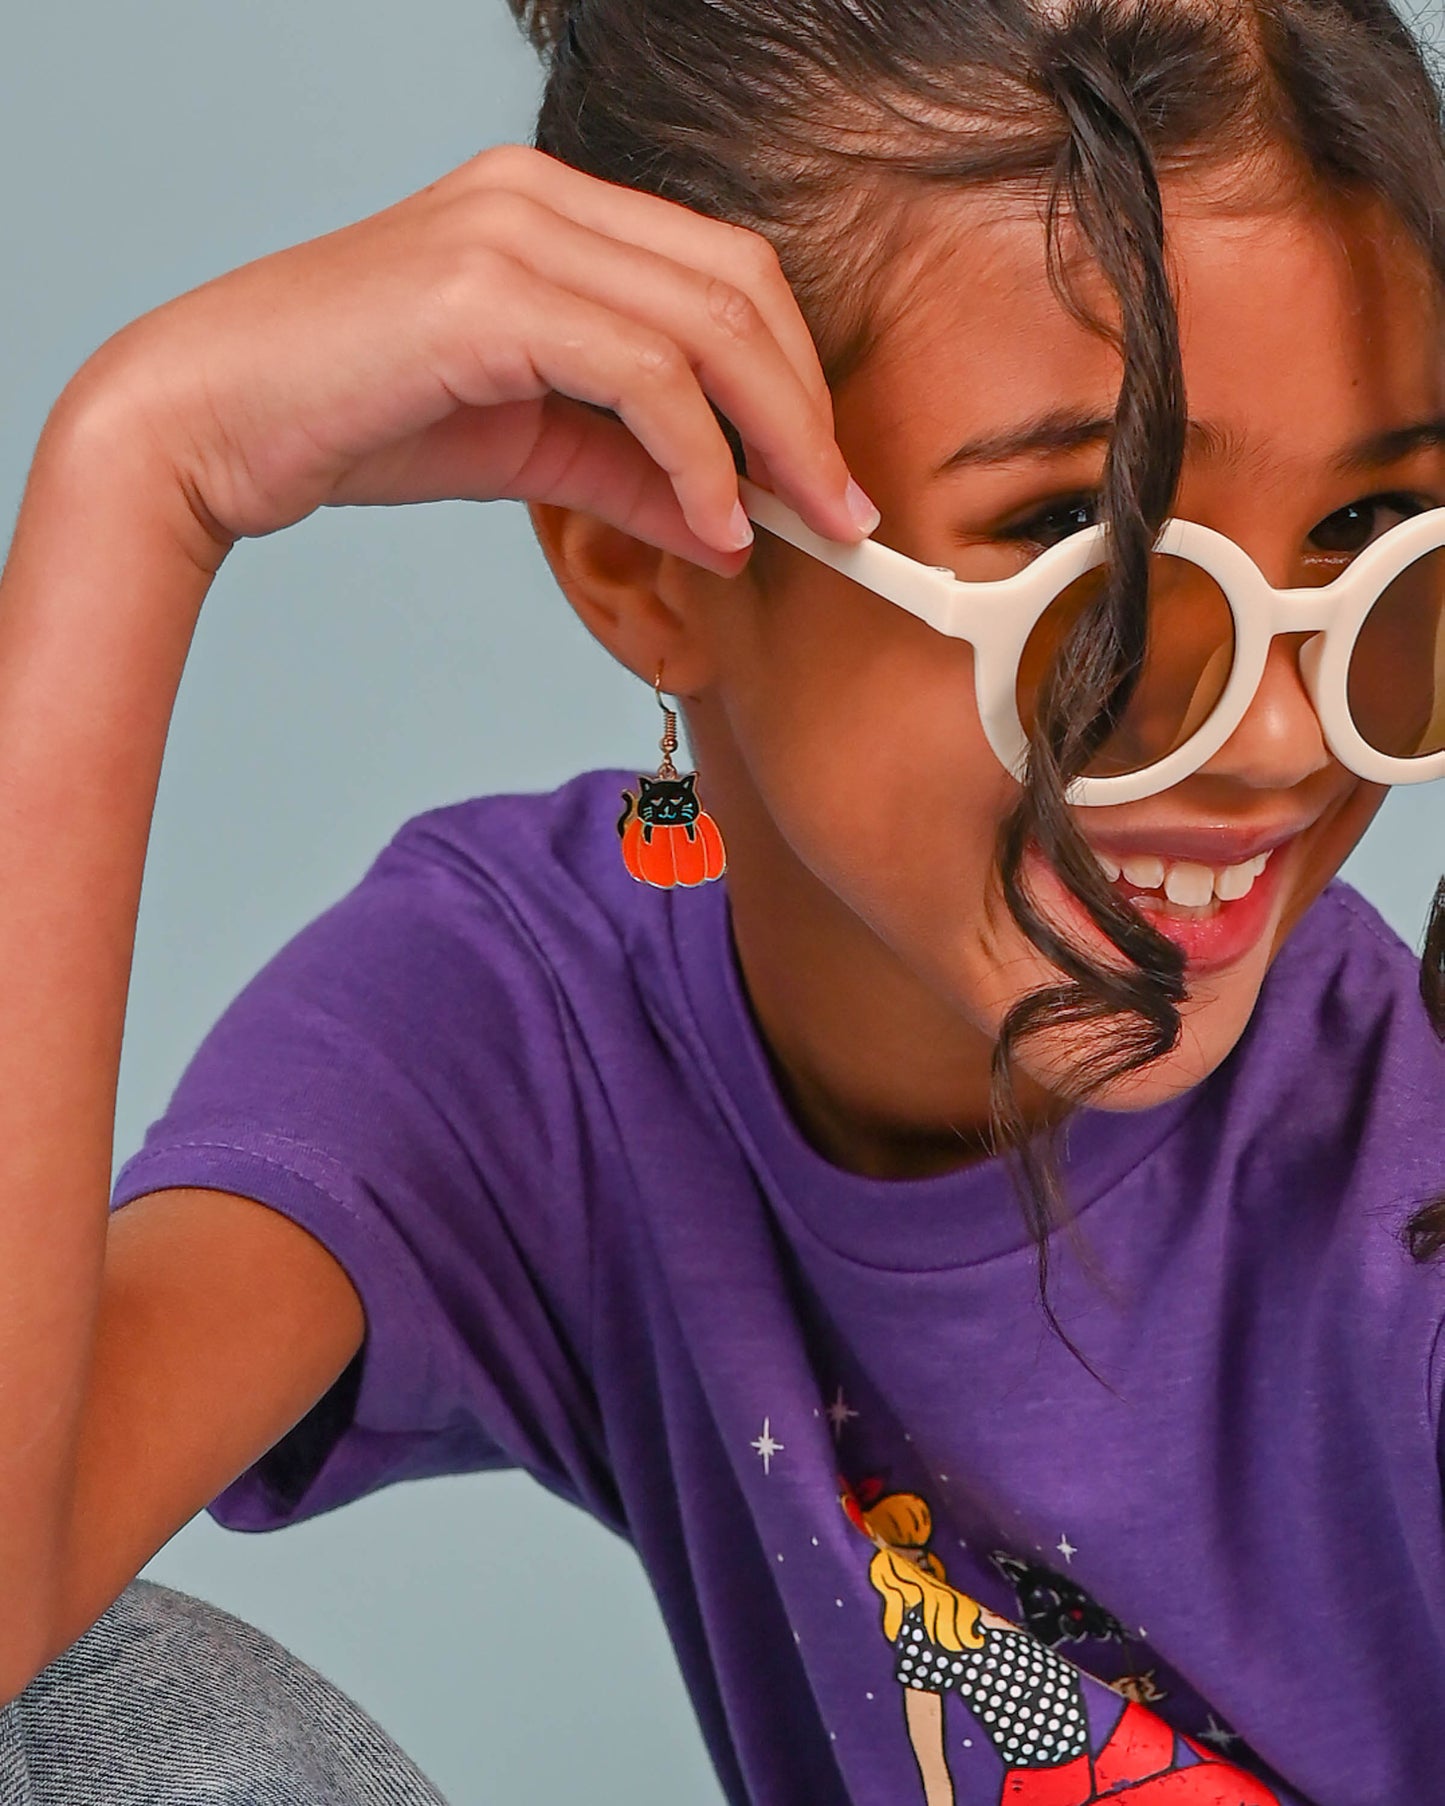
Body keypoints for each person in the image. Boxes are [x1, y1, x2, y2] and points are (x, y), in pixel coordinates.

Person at [1, 0, 1443, 1802]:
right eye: (1091, 561)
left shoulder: (1405, 1177)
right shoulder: (528, 1023)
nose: (1279, 736)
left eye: (1374, 543)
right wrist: (143, 474)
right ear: (651, 553)